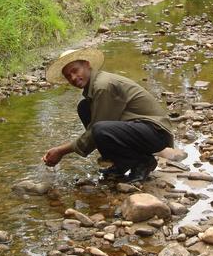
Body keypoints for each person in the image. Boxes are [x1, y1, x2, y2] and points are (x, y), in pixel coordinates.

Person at [42, 47, 174, 183]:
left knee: (99, 130)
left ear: (87, 64)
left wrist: (61, 151)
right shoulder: (95, 86)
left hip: (157, 133)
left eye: (75, 71)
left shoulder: (102, 85)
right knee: (85, 108)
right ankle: (123, 163)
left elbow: (96, 131)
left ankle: (142, 162)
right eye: (69, 76)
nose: (73, 78)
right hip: (142, 129)